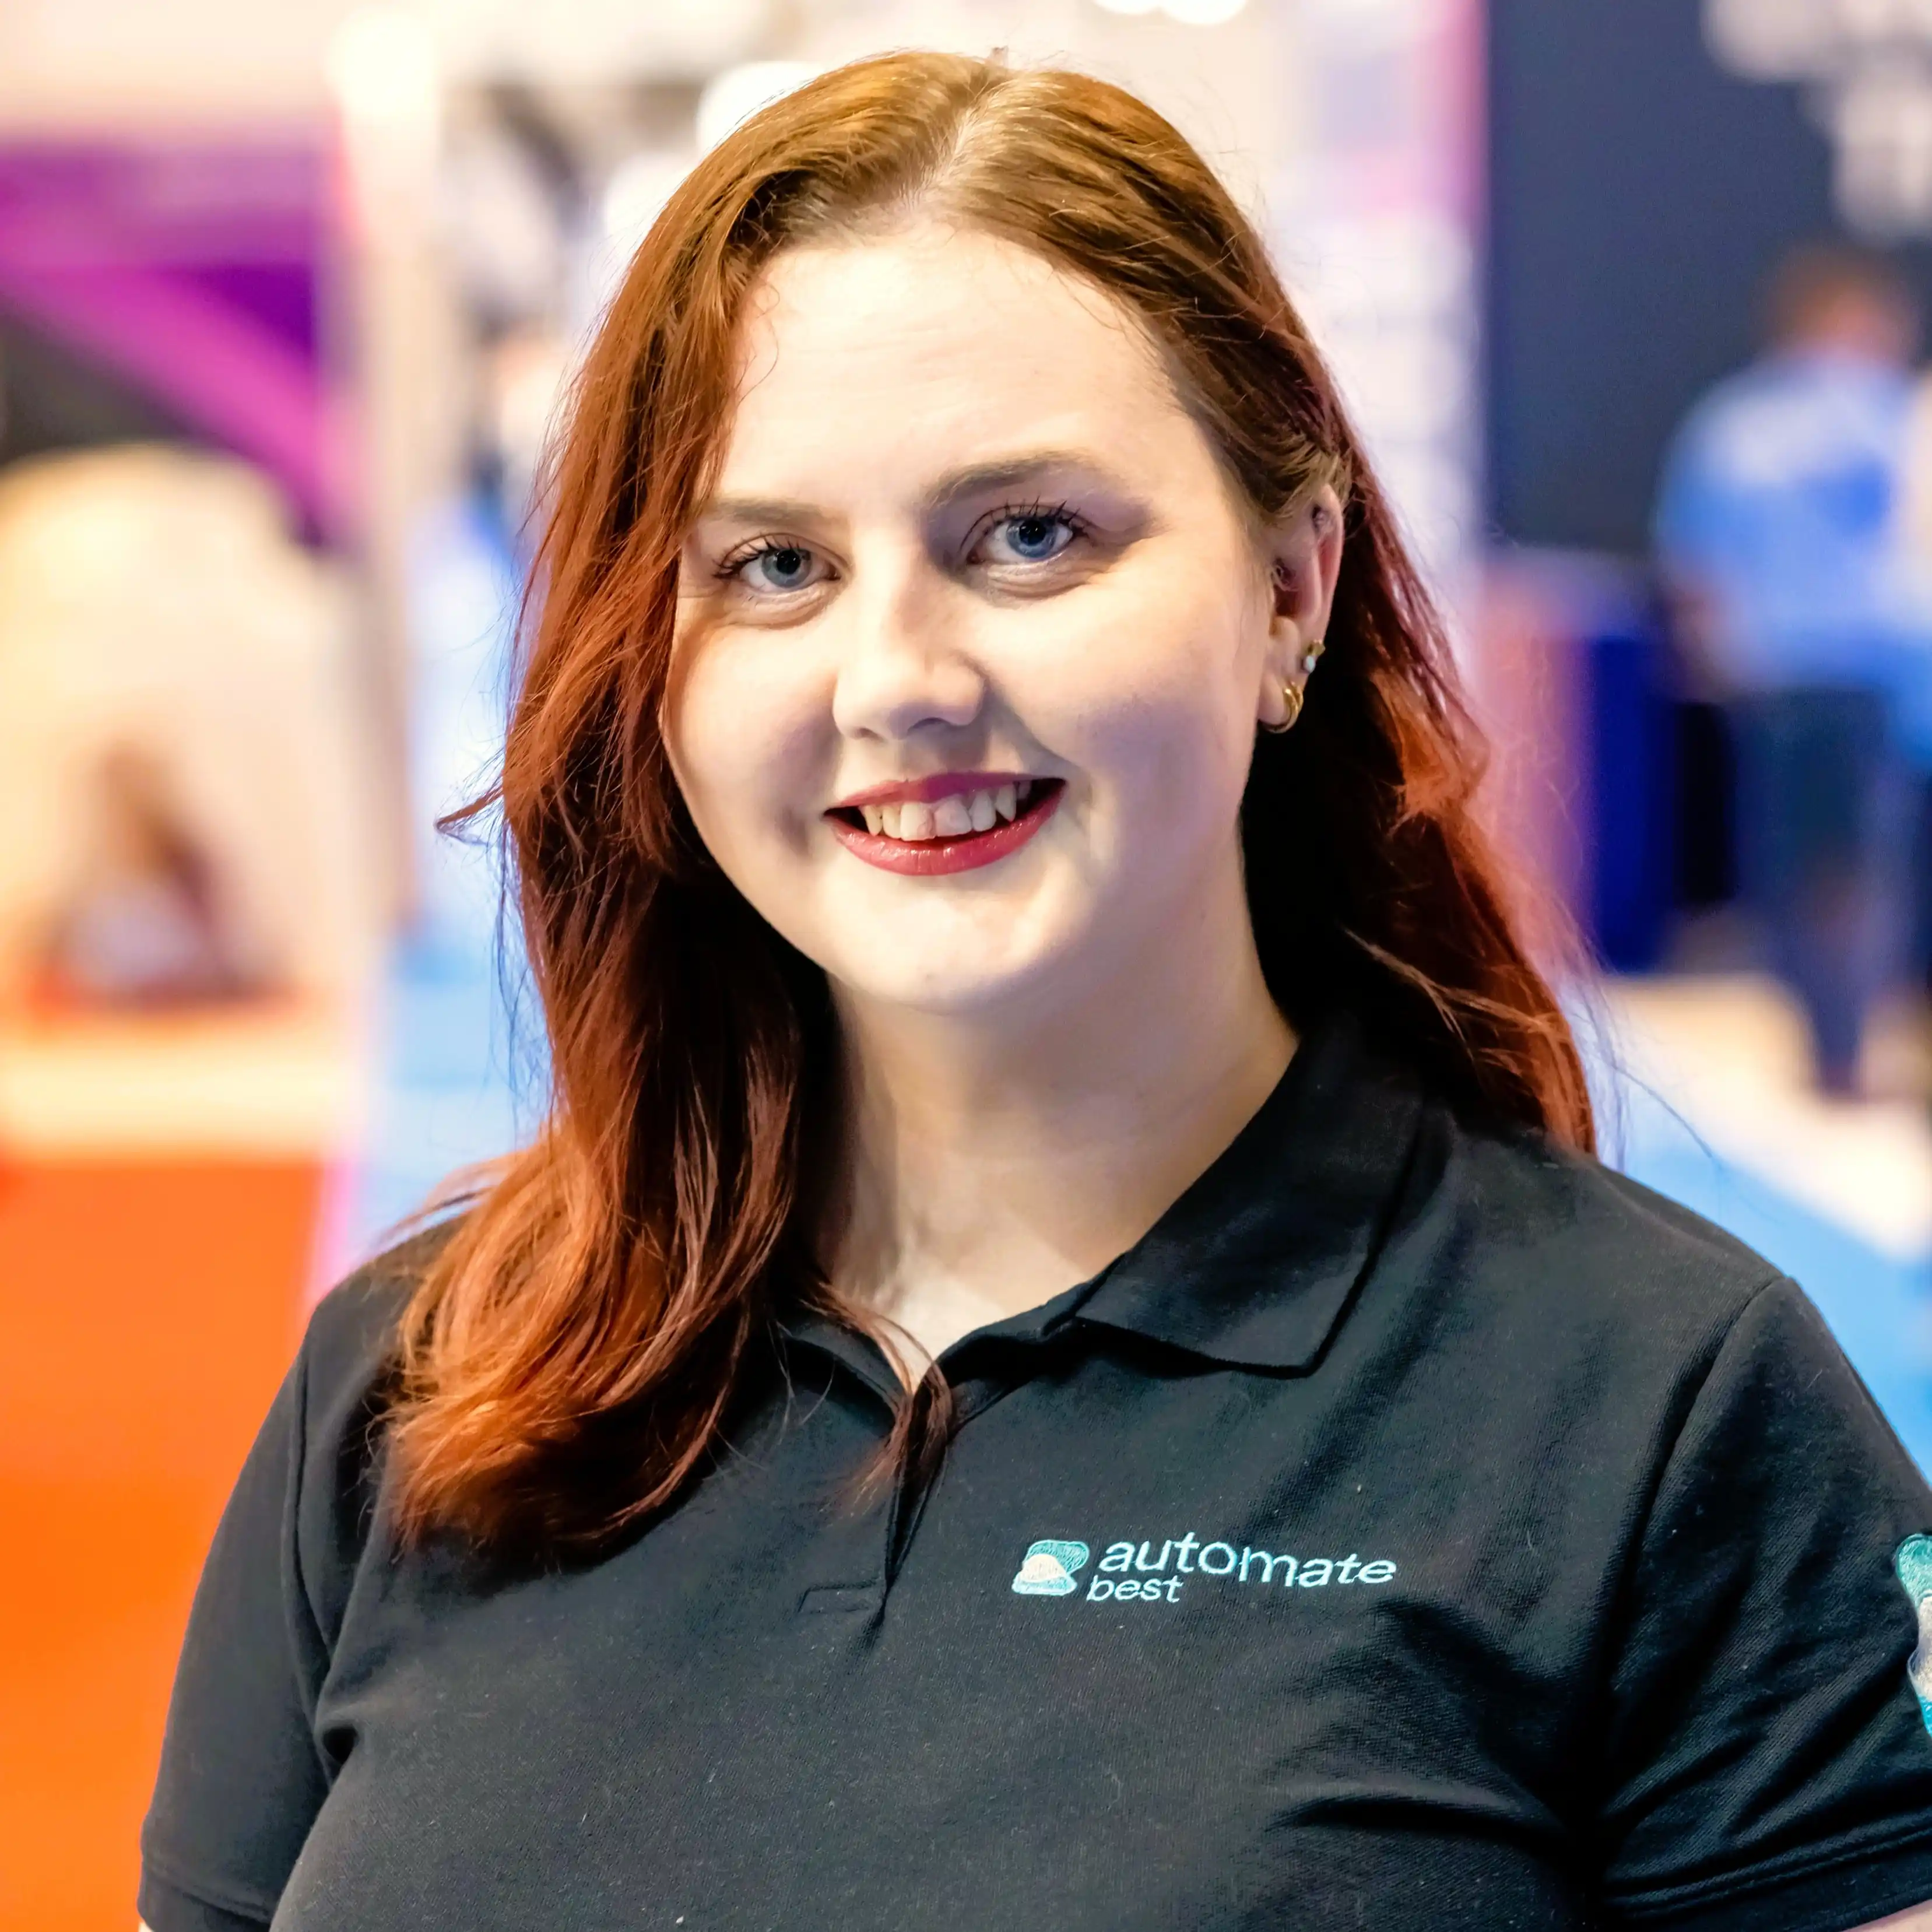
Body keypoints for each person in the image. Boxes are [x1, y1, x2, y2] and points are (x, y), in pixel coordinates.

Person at [140, 56, 1932, 1932]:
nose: (895, 675)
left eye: (1029, 536)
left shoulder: (1661, 1412)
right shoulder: (419, 1386)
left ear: (1293, 588)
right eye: (773, 565)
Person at [1656, 244, 1932, 1097]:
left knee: (1792, 864)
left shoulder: (1731, 422)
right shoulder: (1894, 414)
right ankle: (1857, 1041)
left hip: (1772, 680)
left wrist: (1716, 663)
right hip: (1872, 679)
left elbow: (1693, 566)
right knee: (1862, 867)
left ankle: (1832, 1048)